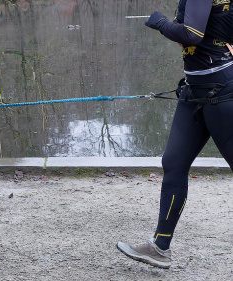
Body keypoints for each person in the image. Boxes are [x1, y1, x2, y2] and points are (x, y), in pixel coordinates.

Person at [116, 0, 233, 269]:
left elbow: (191, 34)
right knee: (174, 163)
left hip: (222, 92)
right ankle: (160, 247)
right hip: (195, 90)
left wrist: (159, 22)